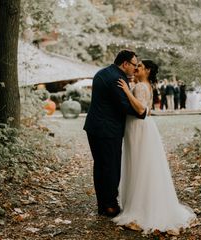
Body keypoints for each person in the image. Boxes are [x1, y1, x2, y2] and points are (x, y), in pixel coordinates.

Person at [113, 60, 196, 233]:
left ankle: (140, 208)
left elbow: (141, 110)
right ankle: (142, 203)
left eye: (140, 66)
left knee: (139, 164)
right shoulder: (145, 85)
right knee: (142, 164)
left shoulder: (142, 86)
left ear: (148, 70)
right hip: (142, 127)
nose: (136, 68)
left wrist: (127, 91)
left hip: (138, 127)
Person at [83, 50, 147, 217]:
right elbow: (125, 106)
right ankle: (110, 205)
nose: (135, 68)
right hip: (108, 130)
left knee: (100, 166)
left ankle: (102, 204)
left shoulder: (102, 72)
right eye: (134, 65)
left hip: (93, 127)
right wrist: (142, 111)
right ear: (125, 64)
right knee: (111, 167)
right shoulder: (117, 79)